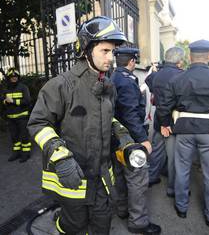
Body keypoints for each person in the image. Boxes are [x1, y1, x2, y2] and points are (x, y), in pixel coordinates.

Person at [28, 16, 138, 235]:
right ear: (87, 50)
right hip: (73, 178)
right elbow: (38, 124)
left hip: (102, 179)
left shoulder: (108, 85)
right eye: (104, 51)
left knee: (102, 224)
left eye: (112, 52)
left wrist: (125, 139)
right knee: (74, 226)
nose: (110, 58)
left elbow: (109, 118)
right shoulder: (61, 85)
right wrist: (61, 158)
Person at [157, 40, 209, 228]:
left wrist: (164, 123)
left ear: (189, 57)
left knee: (182, 169)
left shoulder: (177, 78)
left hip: (184, 129)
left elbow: (163, 106)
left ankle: (181, 207)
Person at [111, 47, 161, 235]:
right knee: (137, 179)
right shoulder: (127, 81)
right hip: (129, 138)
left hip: (115, 137)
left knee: (120, 175)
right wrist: (143, 139)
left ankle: (123, 210)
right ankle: (138, 222)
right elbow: (130, 113)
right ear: (132, 62)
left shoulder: (113, 77)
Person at [145, 47, 186, 197]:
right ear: (180, 61)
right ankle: (172, 188)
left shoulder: (157, 74)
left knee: (157, 149)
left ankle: (152, 176)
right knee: (173, 155)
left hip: (158, 118)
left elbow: (148, 80)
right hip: (172, 119)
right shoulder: (182, 75)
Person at [2, 68, 32, 162]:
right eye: (12, 77)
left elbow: (27, 101)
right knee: (14, 137)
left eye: (15, 77)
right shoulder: (6, 88)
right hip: (11, 118)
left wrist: (13, 101)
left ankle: (26, 154)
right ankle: (16, 153)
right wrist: (5, 101)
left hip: (22, 117)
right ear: (9, 78)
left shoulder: (23, 87)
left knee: (24, 136)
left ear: (18, 77)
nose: (14, 78)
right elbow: (1, 100)